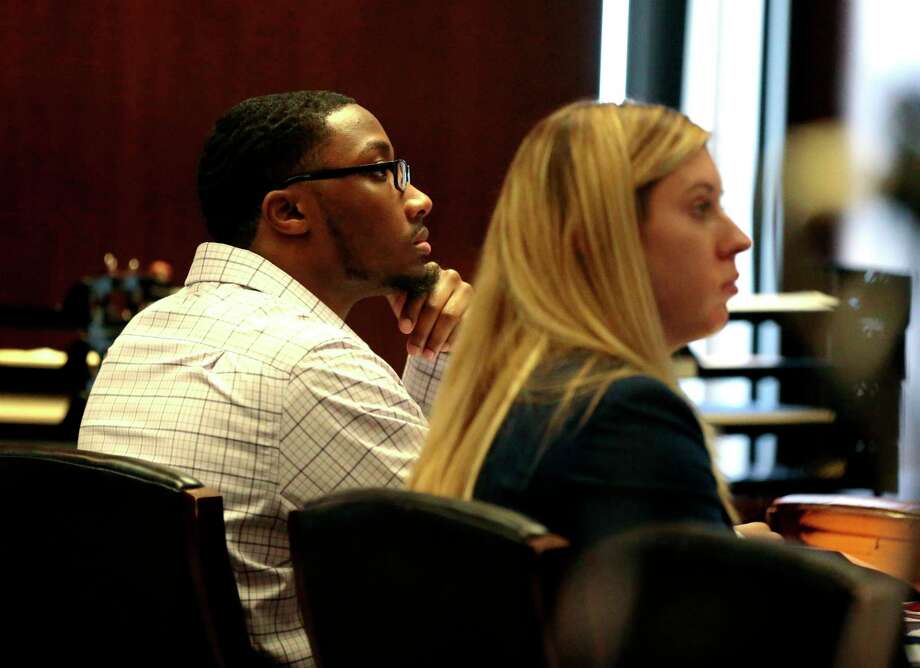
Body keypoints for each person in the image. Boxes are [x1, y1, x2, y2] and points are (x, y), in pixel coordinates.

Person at [79, 90, 472, 666]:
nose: (417, 199)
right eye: (382, 171)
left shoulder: (146, 331)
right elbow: (464, 573)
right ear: (288, 213)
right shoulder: (312, 364)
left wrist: (437, 352)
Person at [409, 100, 772, 549]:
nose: (739, 239)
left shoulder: (514, 391)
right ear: (603, 237)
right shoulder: (624, 416)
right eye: (701, 207)